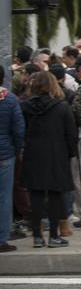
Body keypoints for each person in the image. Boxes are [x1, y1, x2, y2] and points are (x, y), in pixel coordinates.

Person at [20, 72, 77, 248]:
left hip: (33, 154)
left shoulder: (25, 107)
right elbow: (71, 135)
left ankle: (37, 235)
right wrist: (70, 153)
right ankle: (54, 235)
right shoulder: (62, 107)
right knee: (55, 195)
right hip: (56, 154)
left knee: (35, 195)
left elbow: (21, 131)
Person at [0, 67, 25, 252]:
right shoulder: (10, 100)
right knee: (4, 198)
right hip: (5, 155)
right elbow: (18, 130)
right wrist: (17, 150)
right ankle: (2, 238)